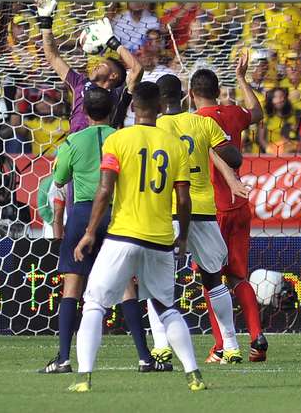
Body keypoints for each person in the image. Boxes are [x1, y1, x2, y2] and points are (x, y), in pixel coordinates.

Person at [68, 82, 203, 393]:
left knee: (94, 304)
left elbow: (104, 190)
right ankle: (193, 375)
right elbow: (183, 200)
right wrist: (181, 237)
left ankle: (83, 378)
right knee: (166, 307)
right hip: (160, 238)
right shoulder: (174, 145)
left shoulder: (118, 140)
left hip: (123, 235)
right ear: (159, 108)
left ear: (131, 108)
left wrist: (90, 232)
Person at [146, 73, 249, 367]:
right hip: (202, 209)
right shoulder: (203, 123)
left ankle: (161, 346)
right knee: (214, 279)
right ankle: (230, 345)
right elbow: (234, 158)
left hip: (166, 211)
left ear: (157, 100)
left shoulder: (153, 127)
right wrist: (220, 142)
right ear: (185, 96)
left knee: (158, 283)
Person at [191, 54, 268, 362]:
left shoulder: (196, 122)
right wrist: (242, 78)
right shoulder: (234, 112)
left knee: (211, 278)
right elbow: (258, 113)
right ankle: (257, 336)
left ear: (191, 93)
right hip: (239, 204)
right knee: (238, 277)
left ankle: (221, 345)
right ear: (218, 89)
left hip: (213, 208)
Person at [36, 0, 143, 132]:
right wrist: (46, 23)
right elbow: (53, 57)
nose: (96, 65)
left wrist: (112, 42)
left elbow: (137, 69)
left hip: (104, 148)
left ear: (113, 76)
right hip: (77, 142)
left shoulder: (118, 95)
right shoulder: (79, 82)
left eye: (102, 64)